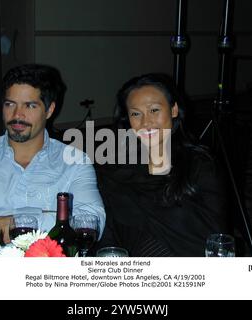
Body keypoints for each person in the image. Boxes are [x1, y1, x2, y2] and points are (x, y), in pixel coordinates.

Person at [0, 64, 105, 256]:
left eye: (30, 105)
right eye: (10, 104)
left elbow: (91, 222)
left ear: (49, 110)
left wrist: (14, 222)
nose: (17, 115)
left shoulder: (75, 162)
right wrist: (39, 220)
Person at [95, 73, 230, 257]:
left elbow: (214, 235)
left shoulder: (199, 165)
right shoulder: (115, 168)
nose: (146, 122)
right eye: (136, 113)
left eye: (154, 110)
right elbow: (107, 231)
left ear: (173, 110)